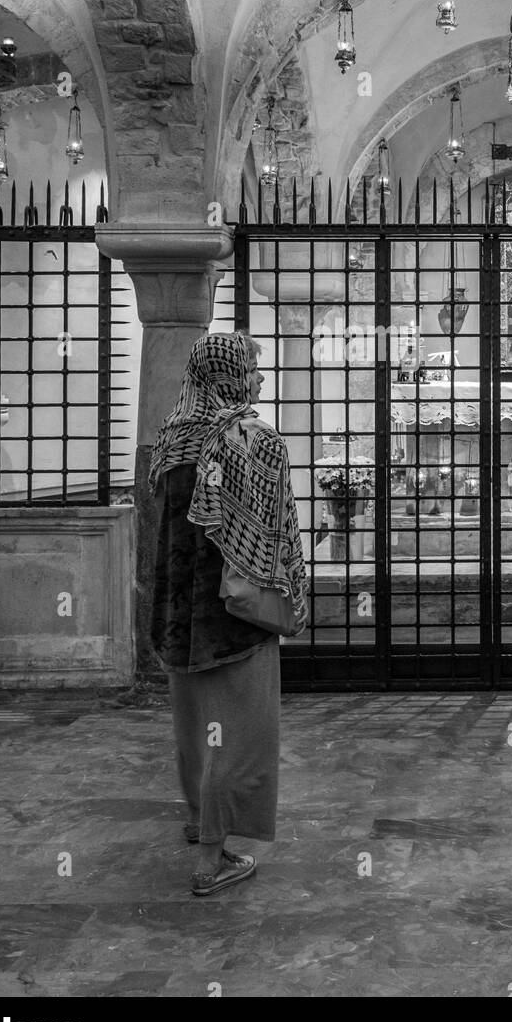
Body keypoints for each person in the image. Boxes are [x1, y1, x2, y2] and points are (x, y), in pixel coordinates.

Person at [148, 331, 308, 896]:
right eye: (253, 369)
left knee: (195, 730)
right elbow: (273, 536)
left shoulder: (171, 438)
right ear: (230, 377)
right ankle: (212, 860)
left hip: (176, 616)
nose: (260, 379)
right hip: (234, 615)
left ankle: (199, 820)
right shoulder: (253, 440)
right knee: (238, 736)